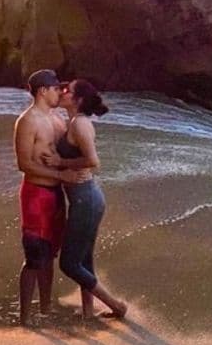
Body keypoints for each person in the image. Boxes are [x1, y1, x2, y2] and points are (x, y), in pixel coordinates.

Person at [46, 78, 127, 320]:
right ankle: (88, 313)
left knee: (69, 265)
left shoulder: (80, 125)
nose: (62, 92)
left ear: (78, 99)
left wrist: (61, 163)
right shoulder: (73, 122)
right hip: (84, 198)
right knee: (83, 260)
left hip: (86, 198)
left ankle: (117, 306)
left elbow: (93, 161)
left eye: (67, 91)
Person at [13, 68, 70, 326]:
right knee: (34, 257)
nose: (59, 92)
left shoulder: (58, 119)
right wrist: (59, 176)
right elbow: (24, 164)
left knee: (50, 256)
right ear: (42, 90)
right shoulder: (27, 121)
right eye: (56, 88)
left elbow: (68, 153)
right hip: (36, 194)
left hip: (57, 195)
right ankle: (24, 318)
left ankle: (45, 310)